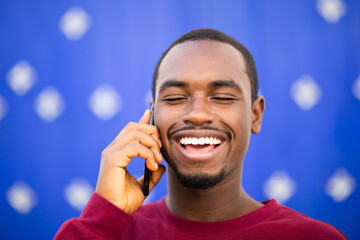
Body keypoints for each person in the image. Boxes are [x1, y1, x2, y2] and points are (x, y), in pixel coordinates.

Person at [54, 28, 347, 239]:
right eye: (175, 98)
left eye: (222, 97)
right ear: (152, 115)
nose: (197, 113)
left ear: (255, 115)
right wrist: (102, 218)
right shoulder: (108, 233)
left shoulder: (313, 236)